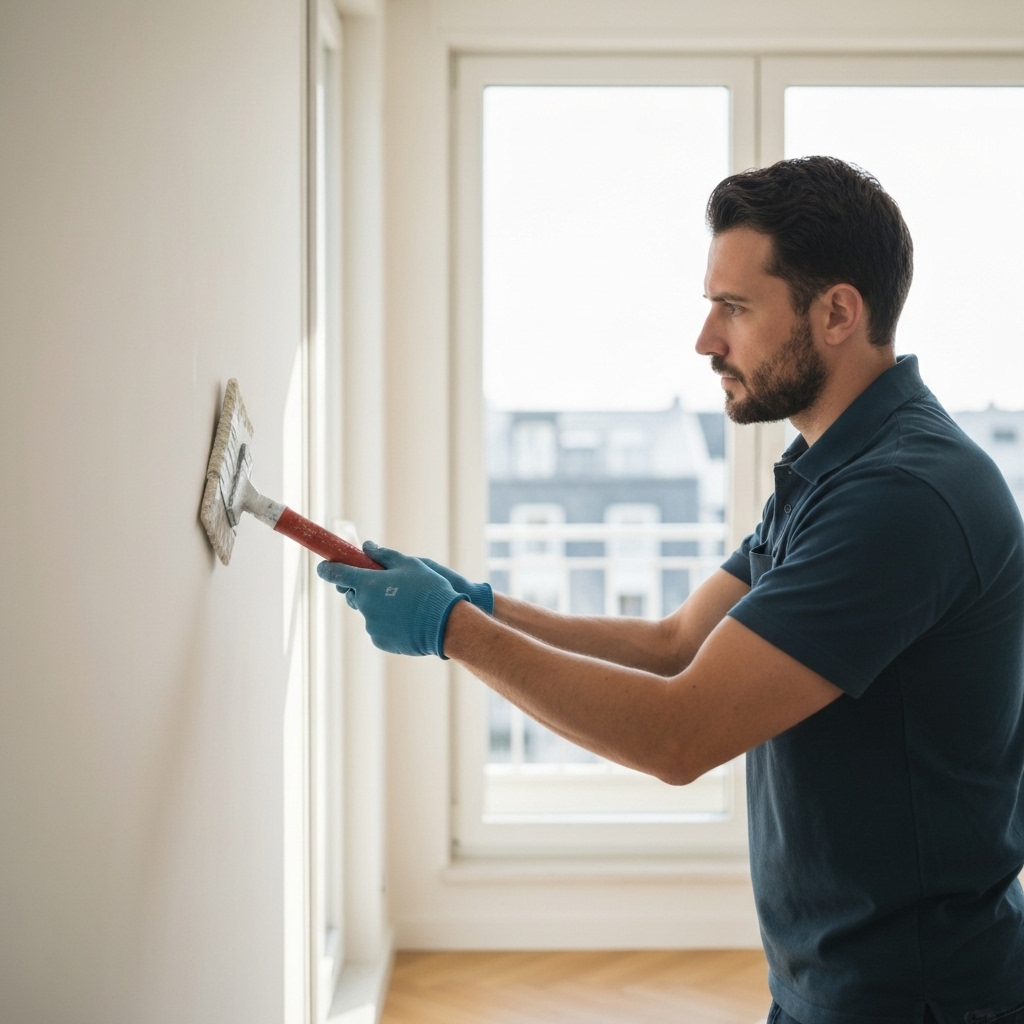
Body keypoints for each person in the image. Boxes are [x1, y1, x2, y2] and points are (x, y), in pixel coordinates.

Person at [318, 156, 1024, 1024]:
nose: (706, 341)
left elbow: (677, 734)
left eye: (734, 307)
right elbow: (675, 643)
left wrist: (452, 628)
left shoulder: (902, 497)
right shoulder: (833, 468)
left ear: (838, 311)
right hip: (830, 981)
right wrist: (488, 605)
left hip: (917, 999)